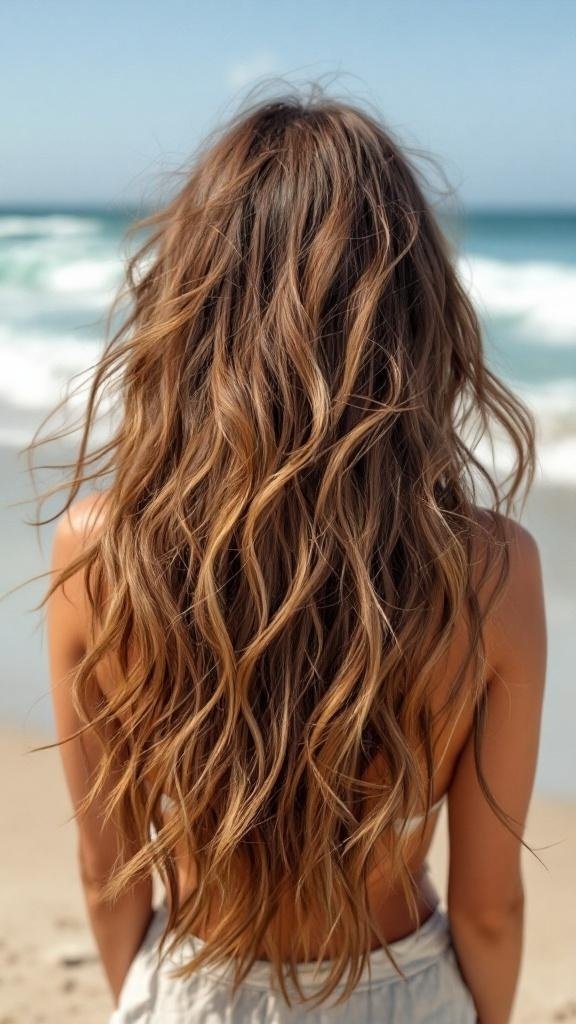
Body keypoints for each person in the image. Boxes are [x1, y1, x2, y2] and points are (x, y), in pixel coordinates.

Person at [38, 86, 547, 1023]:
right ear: (411, 313)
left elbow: (108, 877)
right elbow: (488, 906)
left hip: (195, 986)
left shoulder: (100, 554)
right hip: (401, 991)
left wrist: (152, 999)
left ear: (195, 307)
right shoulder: (490, 570)